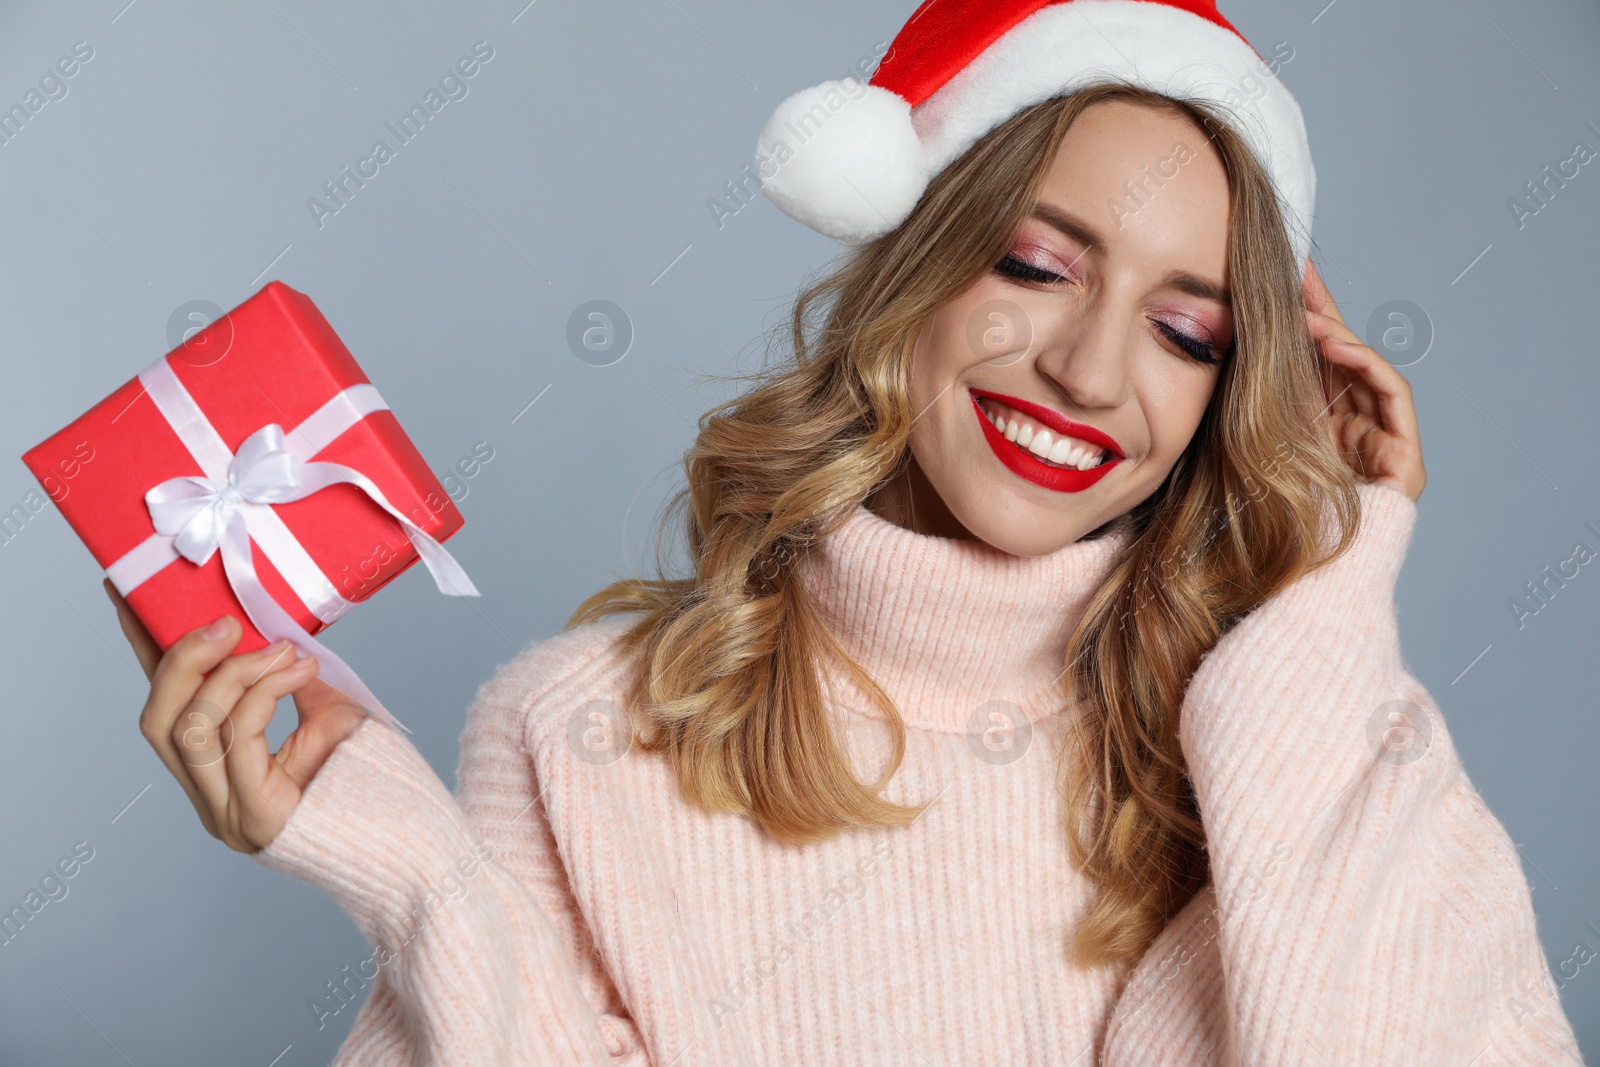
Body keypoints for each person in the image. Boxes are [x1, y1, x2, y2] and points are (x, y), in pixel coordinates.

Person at [105, 1, 1584, 1063]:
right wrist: (415, 876)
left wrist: (1327, 591)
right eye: (1035, 265)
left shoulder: (1291, 751)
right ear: (917, 262)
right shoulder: (582, 734)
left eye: (1188, 332)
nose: (1089, 373)